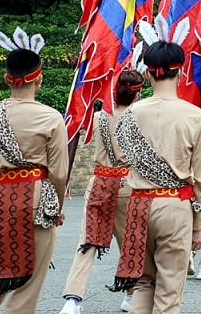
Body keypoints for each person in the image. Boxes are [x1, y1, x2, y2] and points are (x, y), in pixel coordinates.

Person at [109, 20, 201, 314]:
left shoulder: (129, 114)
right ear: (180, 71)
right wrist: (199, 222)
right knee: (169, 288)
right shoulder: (194, 116)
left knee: (142, 283)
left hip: (137, 205)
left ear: (147, 72)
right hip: (174, 207)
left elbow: (123, 157)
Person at [0, 28, 68, 313]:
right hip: (33, 201)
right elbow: (57, 171)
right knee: (28, 282)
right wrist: (55, 207)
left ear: (8, 78)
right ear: (39, 78)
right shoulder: (51, 117)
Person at [60, 69, 143, 314]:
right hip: (129, 184)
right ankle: (130, 294)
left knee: (87, 241)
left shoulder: (98, 117)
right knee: (132, 241)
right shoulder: (141, 117)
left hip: (100, 182)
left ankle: (72, 299)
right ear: (137, 93)